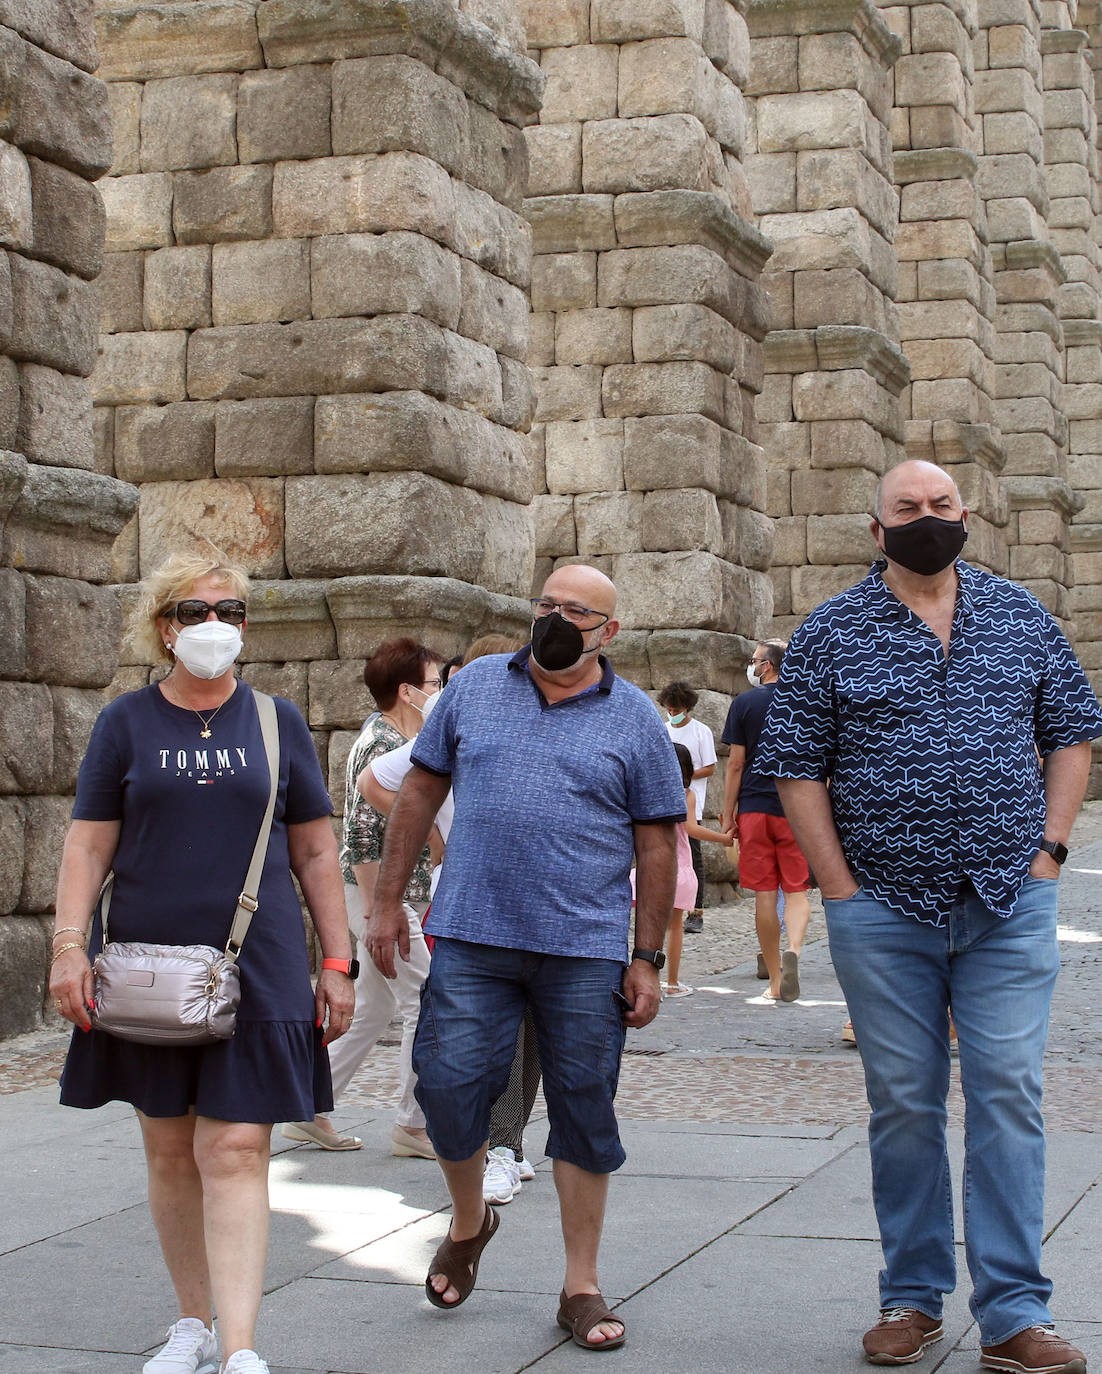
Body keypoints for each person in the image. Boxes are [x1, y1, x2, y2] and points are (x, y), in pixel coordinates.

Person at [756, 460, 1102, 1374]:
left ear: (966, 515)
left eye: (940, 506)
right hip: (882, 911)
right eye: (906, 509)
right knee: (904, 1103)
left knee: (1008, 1099)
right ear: (876, 531)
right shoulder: (831, 631)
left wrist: (1050, 853)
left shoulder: (1019, 617)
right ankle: (911, 1296)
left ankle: (1015, 1315)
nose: (926, 520)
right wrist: (837, 889)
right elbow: (796, 764)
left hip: (1007, 901)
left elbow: (1073, 730)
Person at [49, 551, 354, 1374]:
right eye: (194, 611)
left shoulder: (276, 721)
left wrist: (338, 959)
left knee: (238, 1148)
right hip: (149, 967)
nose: (214, 626)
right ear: (162, 628)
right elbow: (88, 843)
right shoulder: (126, 723)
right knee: (170, 1149)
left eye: (231, 611)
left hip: (260, 964)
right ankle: (193, 1323)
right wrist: (69, 944)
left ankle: (242, 1346)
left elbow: (317, 849)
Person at [366, 564, 685, 1349]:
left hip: (584, 950)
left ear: (609, 631)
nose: (556, 619)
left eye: (577, 611)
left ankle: (581, 1285)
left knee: (583, 1108)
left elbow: (656, 839)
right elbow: (416, 793)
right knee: (445, 1088)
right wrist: (385, 902)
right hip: (474, 936)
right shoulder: (473, 689)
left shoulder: (638, 718)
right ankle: (471, 1224)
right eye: (547, 604)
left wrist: (646, 955)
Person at [283, 638, 442, 1157]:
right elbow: (363, 838)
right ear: (408, 691)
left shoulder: (398, 737)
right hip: (380, 895)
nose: (441, 692)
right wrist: (381, 911)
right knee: (426, 998)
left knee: (373, 1008)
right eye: (435, 684)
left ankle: (308, 1105)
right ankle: (412, 1124)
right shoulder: (380, 744)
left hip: (391, 894)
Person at [720, 640, 812, 1002]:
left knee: (764, 894)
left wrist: (728, 813)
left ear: (769, 666)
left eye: (755, 661)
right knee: (797, 891)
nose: (752, 666)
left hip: (755, 807)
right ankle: (795, 950)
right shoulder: (806, 703)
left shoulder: (744, 704)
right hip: (795, 808)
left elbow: (736, 764)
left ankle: (775, 979)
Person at [656, 682, 717, 933]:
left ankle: (696, 910)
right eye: (669, 709)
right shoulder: (662, 730)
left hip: (691, 801)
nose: (672, 714)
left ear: (686, 708)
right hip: (664, 803)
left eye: (676, 709)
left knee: (693, 858)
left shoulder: (701, 732)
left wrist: (684, 776)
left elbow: (710, 767)